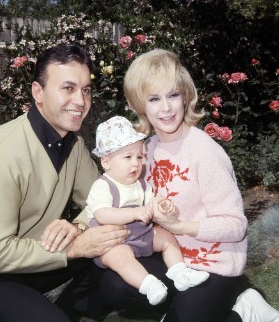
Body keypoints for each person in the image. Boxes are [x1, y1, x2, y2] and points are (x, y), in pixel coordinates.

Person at [94, 48, 279, 322]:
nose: (166, 107)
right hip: (174, 260)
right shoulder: (146, 150)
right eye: (154, 99)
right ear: (141, 106)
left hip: (213, 264)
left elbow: (236, 225)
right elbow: (116, 191)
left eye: (173, 94)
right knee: (114, 286)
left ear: (185, 95)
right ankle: (185, 305)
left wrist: (181, 226)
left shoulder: (204, 151)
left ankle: (245, 309)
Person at [0, 44, 132, 322]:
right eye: (68, 88)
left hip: (37, 261)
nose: (81, 101)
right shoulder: (3, 153)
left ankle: (68, 312)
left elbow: (109, 198)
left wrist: (78, 226)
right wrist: (75, 247)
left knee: (117, 250)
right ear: (38, 93)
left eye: (85, 89)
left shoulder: (74, 145)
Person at [86, 115, 210, 306]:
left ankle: (179, 272)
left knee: (166, 237)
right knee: (120, 258)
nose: (135, 163)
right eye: (127, 157)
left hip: (141, 234)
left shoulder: (141, 185)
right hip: (114, 241)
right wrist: (134, 213)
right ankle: (149, 284)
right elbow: (102, 214)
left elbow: (151, 203)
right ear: (106, 162)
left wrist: (161, 204)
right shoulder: (102, 186)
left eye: (139, 157)